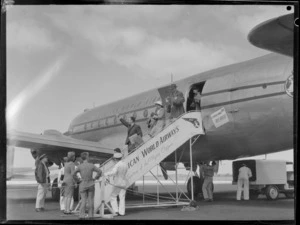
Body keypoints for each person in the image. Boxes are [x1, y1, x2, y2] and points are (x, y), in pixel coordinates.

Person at [73, 152, 102, 219]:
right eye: (88, 156)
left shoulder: (80, 166)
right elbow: (100, 171)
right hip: (91, 183)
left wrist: (78, 180)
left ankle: (82, 215)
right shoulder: (91, 165)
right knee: (91, 200)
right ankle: (91, 215)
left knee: (83, 200)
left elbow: (73, 174)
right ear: (87, 157)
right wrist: (95, 178)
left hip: (83, 184)